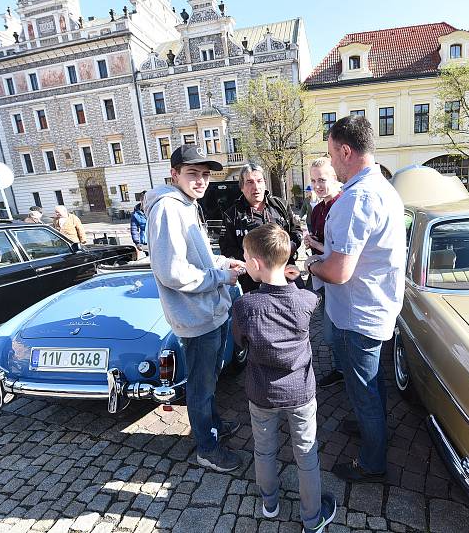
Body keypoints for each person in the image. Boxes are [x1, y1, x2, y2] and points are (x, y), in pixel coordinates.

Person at [304, 115, 405, 483]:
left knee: (363, 390)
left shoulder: (357, 198)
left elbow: (339, 271)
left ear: (346, 151)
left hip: (357, 314)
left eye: (331, 155)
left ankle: (372, 461)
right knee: (373, 384)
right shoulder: (383, 187)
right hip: (377, 307)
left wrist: (312, 265)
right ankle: (370, 430)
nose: (330, 163)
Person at [146, 145, 246, 473]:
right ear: (174, 174)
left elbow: (197, 256)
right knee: (200, 387)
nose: (201, 180)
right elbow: (172, 272)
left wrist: (222, 262)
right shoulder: (168, 209)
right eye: (193, 173)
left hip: (209, 312)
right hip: (196, 317)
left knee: (210, 379)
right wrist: (220, 276)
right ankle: (206, 447)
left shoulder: (188, 205)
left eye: (205, 175)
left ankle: (212, 425)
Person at [232, 223, 336, 533]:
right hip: (300, 391)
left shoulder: (245, 306)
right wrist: (298, 281)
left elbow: (241, 343)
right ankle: (312, 518)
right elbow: (299, 298)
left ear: (257, 264)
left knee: (264, 449)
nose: (245, 261)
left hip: (262, 392)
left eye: (247, 257)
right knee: (306, 453)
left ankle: (270, 502)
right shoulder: (307, 301)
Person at [220, 163, 304, 293]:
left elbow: (296, 231)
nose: (256, 187)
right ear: (241, 187)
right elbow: (226, 248)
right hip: (253, 282)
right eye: (249, 182)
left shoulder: (280, 205)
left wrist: (288, 248)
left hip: (285, 274)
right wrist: (253, 261)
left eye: (259, 181)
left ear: (265, 183)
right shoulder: (232, 215)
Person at [303, 157, 344, 389]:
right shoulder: (318, 208)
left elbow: (340, 249)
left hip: (339, 280)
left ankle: (344, 369)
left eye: (322, 179)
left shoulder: (341, 205)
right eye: (314, 180)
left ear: (335, 178)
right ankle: (340, 368)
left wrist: (317, 246)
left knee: (333, 332)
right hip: (322, 277)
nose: (317, 185)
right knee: (330, 330)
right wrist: (312, 241)